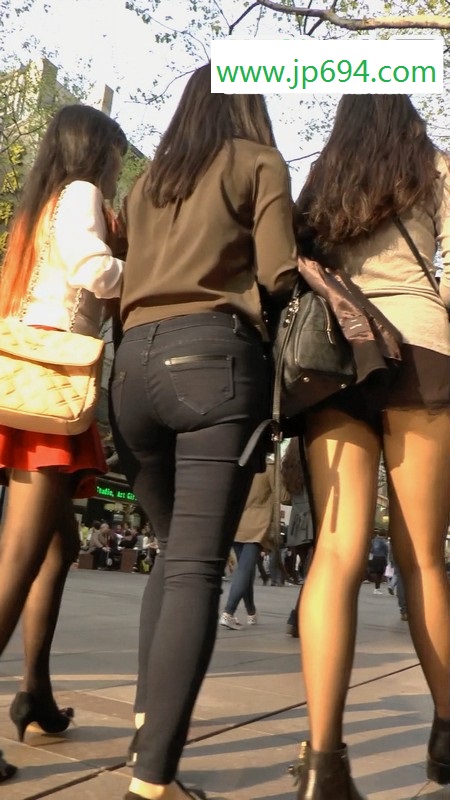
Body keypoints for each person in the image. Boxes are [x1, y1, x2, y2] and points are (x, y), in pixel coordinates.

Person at [109, 62, 298, 800]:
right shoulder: (259, 161)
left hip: (132, 371)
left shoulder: (147, 184)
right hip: (212, 361)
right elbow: (278, 275)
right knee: (194, 566)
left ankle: (146, 727)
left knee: (171, 555)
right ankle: (153, 776)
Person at [291, 95, 450, 798]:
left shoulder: (326, 176)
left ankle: (323, 762)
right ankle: (447, 730)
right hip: (421, 352)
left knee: (335, 552)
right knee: (422, 559)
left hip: (337, 358)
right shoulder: (436, 168)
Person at [0, 104, 126, 776]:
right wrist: (144, 273)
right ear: (95, 152)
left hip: (29, 374)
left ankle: (36, 691)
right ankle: (28, 689)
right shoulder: (80, 195)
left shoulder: (37, 207)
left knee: (58, 545)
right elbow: (92, 270)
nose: (117, 169)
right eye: (116, 156)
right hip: (51, 380)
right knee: (21, 553)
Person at [219, 456, 276, 630]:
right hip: (257, 525)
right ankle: (228, 613)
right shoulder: (269, 467)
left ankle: (251, 612)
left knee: (247, 572)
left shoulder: (239, 464)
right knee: (244, 570)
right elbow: (283, 495)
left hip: (237, 524)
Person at [282, 438, 314, 638]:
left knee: (310, 572)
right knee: (314, 574)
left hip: (296, 523)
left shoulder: (289, 464)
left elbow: (285, 497)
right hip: (314, 521)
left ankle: (299, 619)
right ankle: (296, 619)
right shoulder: (316, 459)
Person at [368, 529, 389, 594]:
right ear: (384, 535)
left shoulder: (374, 540)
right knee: (380, 574)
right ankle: (377, 588)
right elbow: (386, 550)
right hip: (381, 558)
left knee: (376, 573)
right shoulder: (383, 542)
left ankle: (376, 588)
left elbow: (371, 550)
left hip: (375, 557)